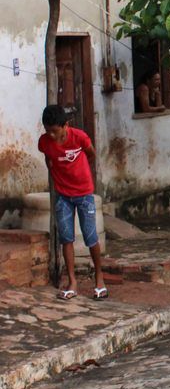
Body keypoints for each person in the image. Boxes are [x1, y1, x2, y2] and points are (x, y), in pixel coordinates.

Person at [38, 104, 107, 301]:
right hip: (63, 196)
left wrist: (80, 173)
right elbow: (48, 158)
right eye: (47, 130)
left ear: (65, 125)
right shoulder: (44, 142)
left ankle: (99, 279)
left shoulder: (79, 137)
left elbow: (91, 154)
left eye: (55, 131)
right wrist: (56, 172)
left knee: (90, 236)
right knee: (66, 238)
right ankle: (72, 282)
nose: (51, 135)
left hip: (84, 194)